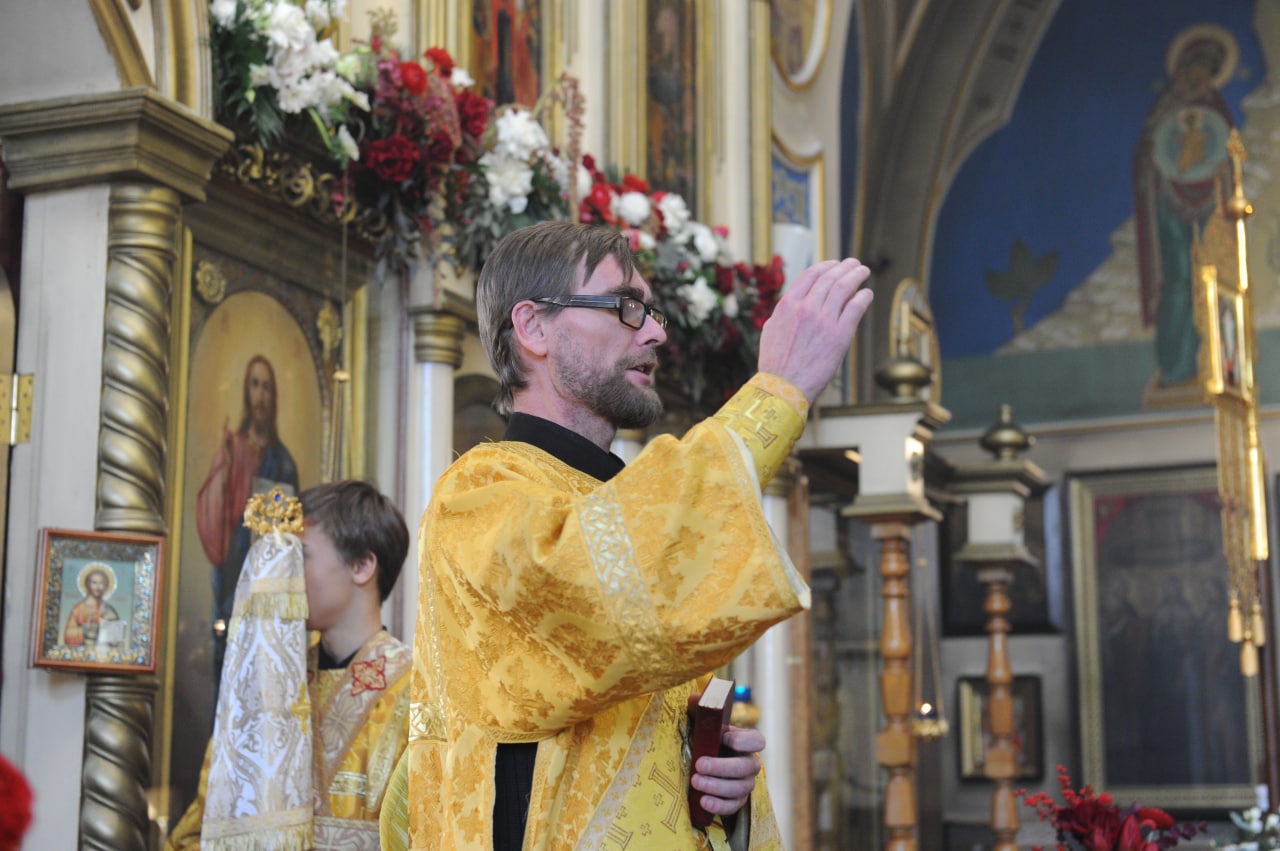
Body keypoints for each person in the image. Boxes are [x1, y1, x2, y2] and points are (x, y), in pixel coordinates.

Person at [398, 221, 873, 850]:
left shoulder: (625, 510)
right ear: (534, 327)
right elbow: (589, 592)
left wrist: (720, 793)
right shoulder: (479, 493)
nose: (655, 332)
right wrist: (775, 396)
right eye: (626, 306)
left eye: (652, 312)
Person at [167, 480, 411, 850]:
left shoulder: (417, 688)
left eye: (298, 555)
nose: (279, 574)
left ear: (362, 566)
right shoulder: (266, 681)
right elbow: (208, 819)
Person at [1133, 28, 1236, 389]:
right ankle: (1175, 367)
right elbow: (1148, 151)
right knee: (1178, 280)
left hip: (1210, 201)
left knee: (1212, 277)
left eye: (1209, 70)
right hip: (1169, 201)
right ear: (1184, 68)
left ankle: (1217, 363)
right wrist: (1156, 158)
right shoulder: (1166, 108)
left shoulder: (1215, 109)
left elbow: (1228, 151)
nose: (1201, 76)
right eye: (1197, 68)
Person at [195, 353, 300, 679]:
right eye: (255, 386)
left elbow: (287, 534)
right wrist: (224, 468)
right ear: (246, 392)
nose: (261, 396)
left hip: (264, 580)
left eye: (267, 387)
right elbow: (213, 510)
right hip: (230, 571)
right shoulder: (234, 447)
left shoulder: (283, 461)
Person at [63, 563, 120, 647]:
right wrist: (84, 629)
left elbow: (116, 640)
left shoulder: (110, 610)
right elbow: (68, 635)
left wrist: (107, 629)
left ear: (106, 586)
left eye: (101, 583)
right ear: (88, 584)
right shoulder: (79, 609)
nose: (98, 587)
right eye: (94, 583)